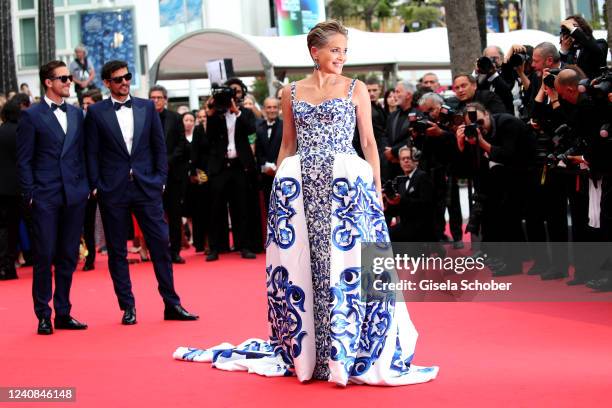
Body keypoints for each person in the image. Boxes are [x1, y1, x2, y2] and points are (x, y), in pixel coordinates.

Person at [176, 20, 438, 386]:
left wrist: (376, 188)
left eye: (345, 51)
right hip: (300, 190)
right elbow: (287, 144)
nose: (341, 57)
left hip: (346, 189)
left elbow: (367, 141)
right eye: (335, 50)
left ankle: (349, 349)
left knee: (347, 263)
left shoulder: (355, 88)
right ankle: (310, 352)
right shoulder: (291, 92)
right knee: (306, 265)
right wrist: (279, 192)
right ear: (315, 52)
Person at [84, 60, 198, 325]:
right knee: (117, 250)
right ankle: (128, 307)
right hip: (113, 189)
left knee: (160, 244)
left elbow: (158, 146)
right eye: (118, 79)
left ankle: (172, 304)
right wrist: (97, 185)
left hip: (147, 187)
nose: (124, 82)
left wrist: (160, 180)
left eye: (127, 77)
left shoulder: (147, 107)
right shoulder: (97, 113)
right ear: (107, 83)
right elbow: (91, 152)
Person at [16, 61, 89, 335]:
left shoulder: (76, 114)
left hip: (73, 194)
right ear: (48, 82)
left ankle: (64, 312)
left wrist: (84, 186)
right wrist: (30, 194)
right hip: (45, 195)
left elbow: (81, 153)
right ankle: (43, 314)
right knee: (45, 256)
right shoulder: (31, 116)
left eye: (69, 78)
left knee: (68, 255)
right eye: (64, 78)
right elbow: (24, 159)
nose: (69, 81)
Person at [149, 85, 188, 264]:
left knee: (174, 215)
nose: (155, 100)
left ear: (165, 99)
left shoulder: (175, 118)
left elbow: (182, 144)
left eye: (159, 97)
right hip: (150, 175)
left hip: (173, 175)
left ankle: (175, 252)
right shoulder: (143, 118)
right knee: (153, 215)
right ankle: (158, 252)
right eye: (153, 97)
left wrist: (167, 161)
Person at [0, 94, 30, 281]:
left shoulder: (0, 131)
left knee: (2, 228)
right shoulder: (22, 132)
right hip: (18, 188)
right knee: (15, 229)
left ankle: (5, 266)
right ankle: (10, 265)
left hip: (1, 189)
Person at [81, 89, 103, 270]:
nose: (86, 107)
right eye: (84, 104)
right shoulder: (79, 123)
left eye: (89, 104)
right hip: (83, 181)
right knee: (85, 222)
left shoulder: (105, 122)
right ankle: (89, 257)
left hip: (105, 179)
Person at [255, 97, 283, 209]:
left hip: (281, 175)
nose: (272, 110)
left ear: (279, 109)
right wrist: (266, 167)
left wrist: (277, 168)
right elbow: (258, 152)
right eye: (269, 107)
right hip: (265, 176)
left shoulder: (285, 126)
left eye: (275, 107)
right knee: (268, 208)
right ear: (264, 110)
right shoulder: (258, 128)